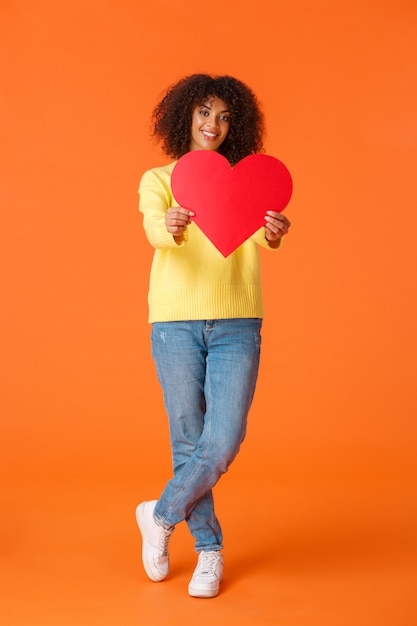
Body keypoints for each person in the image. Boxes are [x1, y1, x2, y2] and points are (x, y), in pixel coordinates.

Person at [136, 73, 291, 598]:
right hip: (175, 321)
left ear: (237, 125)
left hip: (237, 320)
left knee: (223, 439)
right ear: (185, 116)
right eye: (205, 112)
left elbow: (261, 238)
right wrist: (172, 225)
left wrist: (273, 234)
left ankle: (159, 514)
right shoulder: (159, 178)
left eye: (225, 116)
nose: (214, 124)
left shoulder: (248, 180)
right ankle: (208, 551)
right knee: (187, 439)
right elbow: (155, 228)